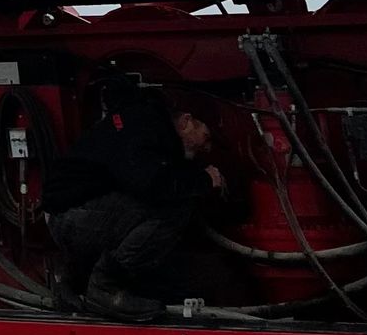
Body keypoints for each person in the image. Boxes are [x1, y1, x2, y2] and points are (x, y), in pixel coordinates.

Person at [42, 85, 230, 317]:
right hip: (71, 216)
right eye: (206, 136)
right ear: (186, 121)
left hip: (71, 212)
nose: (207, 147)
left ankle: (70, 277)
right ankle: (105, 288)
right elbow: (150, 184)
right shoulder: (147, 128)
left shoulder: (144, 124)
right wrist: (203, 180)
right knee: (174, 206)